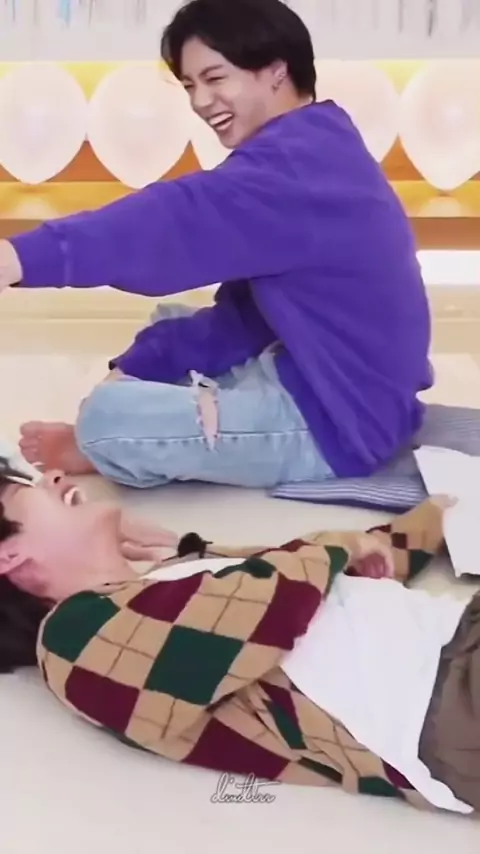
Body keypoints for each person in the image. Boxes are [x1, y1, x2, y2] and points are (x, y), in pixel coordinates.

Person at [0, 0, 431, 490]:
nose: (201, 101)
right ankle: (126, 425)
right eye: (189, 86)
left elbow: (171, 220)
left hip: (337, 424)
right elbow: (247, 314)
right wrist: (139, 367)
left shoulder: (291, 170)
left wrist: (18, 258)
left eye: (215, 78)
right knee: (169, 325)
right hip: (308, 367)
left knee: (107, 420)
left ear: (276, 69)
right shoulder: (313, 144)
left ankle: (102, 443)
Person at [0, 457, 478, 814]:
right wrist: (339, 546)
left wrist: (438, 514)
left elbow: (344, 566)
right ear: (8, 555)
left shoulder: (175, 578)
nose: (54, 477)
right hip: (440, 707)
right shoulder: (70, 643)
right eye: (27, 490)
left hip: (455, 635)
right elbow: (274, 598)